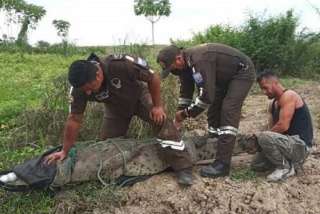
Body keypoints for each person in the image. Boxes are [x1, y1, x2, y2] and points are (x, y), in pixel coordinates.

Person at [44, 53, 193, 186]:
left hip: (139, 97)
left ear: (98, 75)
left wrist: (157, 106)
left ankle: (183, 167)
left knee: (162, 122)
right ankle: (122, 171)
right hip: (115, 108)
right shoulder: (79, 89)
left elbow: (153, 77)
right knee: (106, 145)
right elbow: (74, 119)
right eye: (84, 90)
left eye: (90, 88)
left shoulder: (121, 64)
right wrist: (65, 150)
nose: (88, 92)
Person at [157, 43, 255, 178]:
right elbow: (185, 93)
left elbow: (206, 97)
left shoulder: (199, 61)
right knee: (214, 108)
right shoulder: (184, 67)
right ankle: (215, 143)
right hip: (224, 77)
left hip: (242, 72)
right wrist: (178, 115)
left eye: (171, 67)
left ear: (179, 59)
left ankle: (223, 164)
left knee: (228, 109)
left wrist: (185, 114)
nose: (172, 71)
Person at [250, 69, 313, 181]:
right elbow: (271, 129)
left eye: (265, 87)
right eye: (261, 89)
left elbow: (283, 126)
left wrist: (261, 138)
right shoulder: (273, 104)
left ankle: (285, 167)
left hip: (300, 146)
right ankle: (289, 162)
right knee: (256, 165)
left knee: (264, 136)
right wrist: (261, 143)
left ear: (275, 83)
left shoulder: (289, 96)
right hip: (286, 143)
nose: (264, 92)